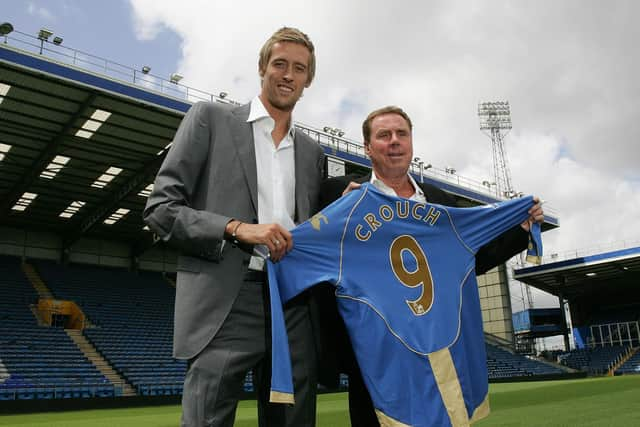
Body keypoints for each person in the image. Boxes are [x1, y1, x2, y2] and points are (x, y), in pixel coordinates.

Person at [315, 105, 544, 426]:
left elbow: (471, 259)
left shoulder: (438, 200)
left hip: (436, 346)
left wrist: (520, 231)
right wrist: (339, 211)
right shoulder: (338, 193)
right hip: (374, 352)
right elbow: (311, 245)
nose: (394, 141)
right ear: (368, 148)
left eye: (402, 134)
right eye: (384, 135)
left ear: (411, 143)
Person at [143, 27, 324, 427]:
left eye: (299, 68)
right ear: (262, 67)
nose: (288, 75)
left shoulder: (313, 153)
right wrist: (237, 228)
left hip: (293, 305)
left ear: (307, 81)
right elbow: (160, 209)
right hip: (228, 299)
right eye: (280, 64)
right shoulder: (210, 119)